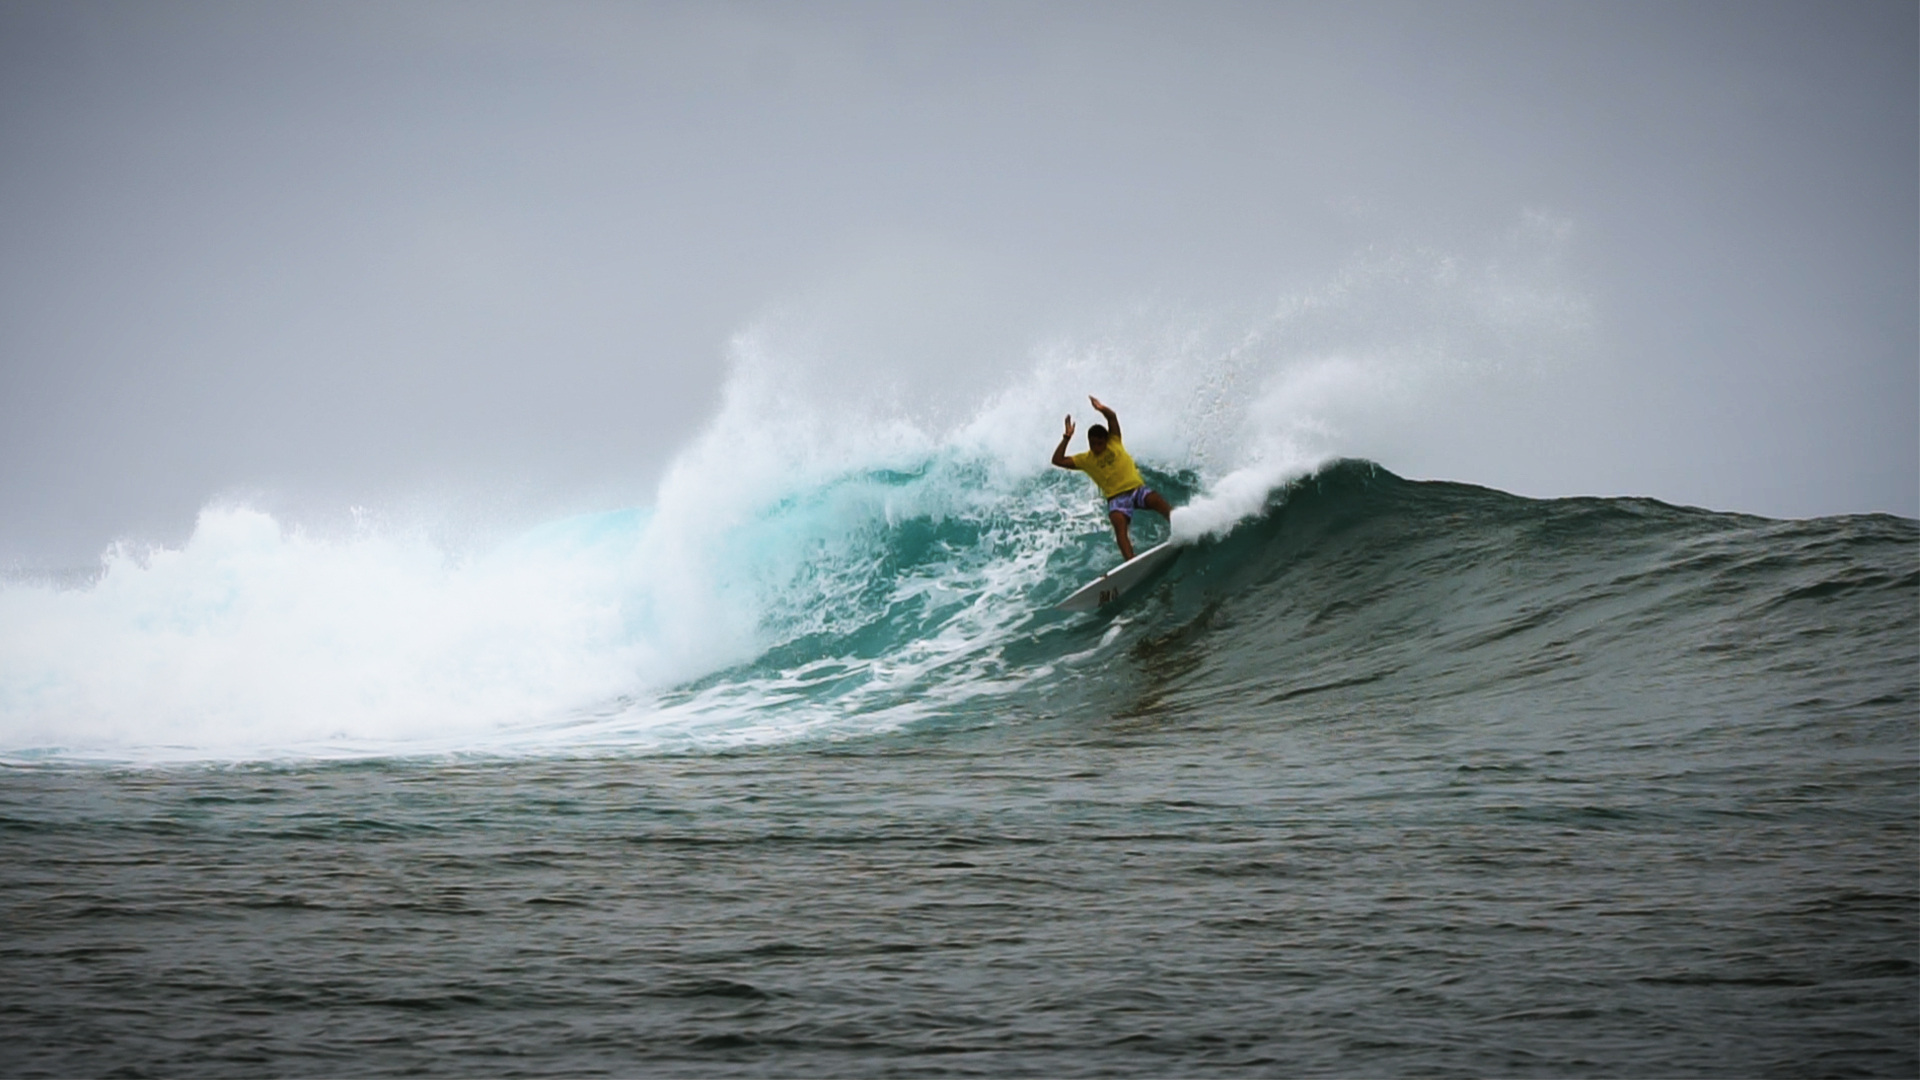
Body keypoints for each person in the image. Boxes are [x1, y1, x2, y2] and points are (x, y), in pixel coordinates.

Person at [1051, 395, 1174, 561]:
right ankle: (1131, 562)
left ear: (1106, 439)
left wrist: (1101, 408)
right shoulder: (1085, 459)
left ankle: (1181, 526)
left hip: (1137, 490)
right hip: (1117, 499)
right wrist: (1066, 437)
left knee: (1156, 500)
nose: (1096, 447)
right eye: (1092, 444)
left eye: (1099, 443)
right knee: (1118, 522)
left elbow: (1112, 417)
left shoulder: (1114, 441)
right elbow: (1057, 460)